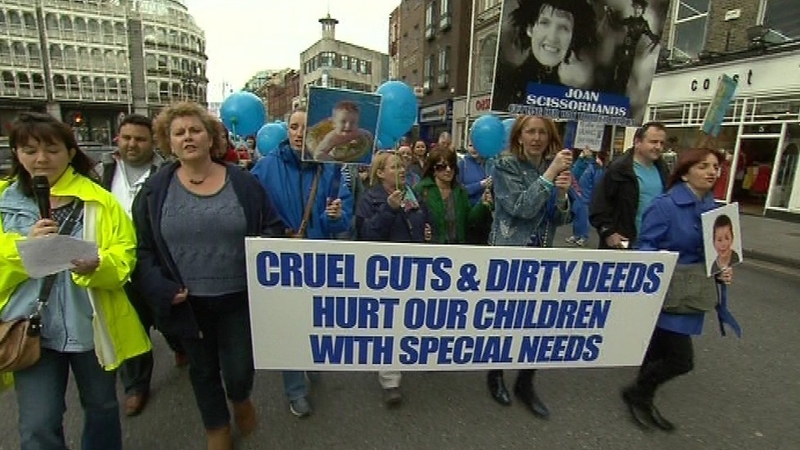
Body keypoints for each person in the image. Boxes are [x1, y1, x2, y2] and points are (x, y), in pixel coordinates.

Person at [131, 101, 284, 450]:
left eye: (195, 130)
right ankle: (216, 427)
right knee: (202, 370)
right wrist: (161, 287)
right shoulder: (154, 191)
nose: (188, 137)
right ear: (168, 143)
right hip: (187, 303)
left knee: (239, 368)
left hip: (238, 299)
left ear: (210, 137)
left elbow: (272, 227)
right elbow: (143, 250)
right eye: (179, 133)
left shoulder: (245, 184)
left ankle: (241, 398)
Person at [0, 112, 150, 450]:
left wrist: (98, 265)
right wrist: (24, 249)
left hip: (89, 326)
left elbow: (124, 256)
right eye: (29, 150)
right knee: (38, 422)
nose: (41, 159)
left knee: (101, 408)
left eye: (52, 150)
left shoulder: (100, 201)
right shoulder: (3, 201)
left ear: (70, 152)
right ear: (16, 153)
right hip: (28, 327)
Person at [621, 148, 738, 431]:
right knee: (681, 360)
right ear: (685, 172)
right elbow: (644, 247)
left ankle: (642, 396)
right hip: (667, 292)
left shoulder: (714, 208)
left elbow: (718, 251)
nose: (712, 171)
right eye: (703, 166)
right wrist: (666, 265)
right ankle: (637, 393)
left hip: (694, 292)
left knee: (657, 351)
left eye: (715, 166)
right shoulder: (665, 205)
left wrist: (724, 268)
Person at [250, 107, 353, 418]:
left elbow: (343, 218)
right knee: (288, 326)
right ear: (286, 131)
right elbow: (252, 214)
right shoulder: (265, 168)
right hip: (282, 263)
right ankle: (295, 389)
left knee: (315, 320)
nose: (297, 132)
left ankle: (312, 360)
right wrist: (278, 232)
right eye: (293, 126)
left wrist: (332, 216)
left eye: (304, 127)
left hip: (318, 260)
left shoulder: (331, 169)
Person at [96, 113, 188, 418]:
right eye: (127, 138)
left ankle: (181, 345)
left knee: (168, 317)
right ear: (117, 140)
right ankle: (136, 386)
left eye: (140, 139)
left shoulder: (166, 174)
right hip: (117, 265)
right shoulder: (101, 173)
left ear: (153, 143)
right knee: (131, 325)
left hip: (158, 263)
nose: (132, 144)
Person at [487, 115, 574, 418]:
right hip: (510, 253)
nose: (536, 138)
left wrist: (562, 193)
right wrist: (551, 174)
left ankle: (526, 382)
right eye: (530, 131)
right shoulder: (504, 165)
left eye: (542, 132)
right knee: (503, 321)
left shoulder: (551, 166)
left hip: (541, 256)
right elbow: (521, 207)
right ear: (519, 136)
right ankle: (495, 374)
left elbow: (562, 219)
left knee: (536, 323)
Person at [355, 151, 432, 405]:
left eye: (402, 166)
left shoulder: (413, 194)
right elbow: (367, 234)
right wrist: (389, 209)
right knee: (389, 325)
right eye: (394, 166)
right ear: (379, 173)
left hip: (413, 265)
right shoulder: (370, 199)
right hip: (386, 270)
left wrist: (425, 230)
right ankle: (390, 380)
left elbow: (421, 221)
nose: (401, 170)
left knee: (409, 319)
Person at [492, 0, 596, 111]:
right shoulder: (504, 87)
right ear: (530, 28)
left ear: (573, 38)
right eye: (544, 23)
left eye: (563, 27)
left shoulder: (576, 101)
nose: (552, 37)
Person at [590, 122, 668, 250]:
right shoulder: (618, 169)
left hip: (654, 244)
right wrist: (608, 233)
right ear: (638, 142)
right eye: (653, 142)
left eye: (662, 143)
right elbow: (599, 205)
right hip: (624, 245)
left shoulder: (663, 169)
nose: (658, 147)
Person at [416, 147, 493, 245]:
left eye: (451, 166)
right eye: (442, 166)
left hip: (457, 249)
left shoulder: (460, 191)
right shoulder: (422, 190)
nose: (448, 170)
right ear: (433, 169)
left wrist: (483, 205)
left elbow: (469, 221)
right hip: (430, 249)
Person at [604, 0, 660, 95]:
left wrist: (657, 38)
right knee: (614, 73)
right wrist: (609, 13)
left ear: (643, 10)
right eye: (636, 7)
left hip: (630, 53)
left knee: (624, 76)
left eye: (639, 8)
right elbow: (615, 24)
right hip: (620, 51)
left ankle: (619, 95)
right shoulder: (628, 21)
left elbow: (651, 36)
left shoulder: (643, 24)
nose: (637, 10)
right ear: (633, 8)